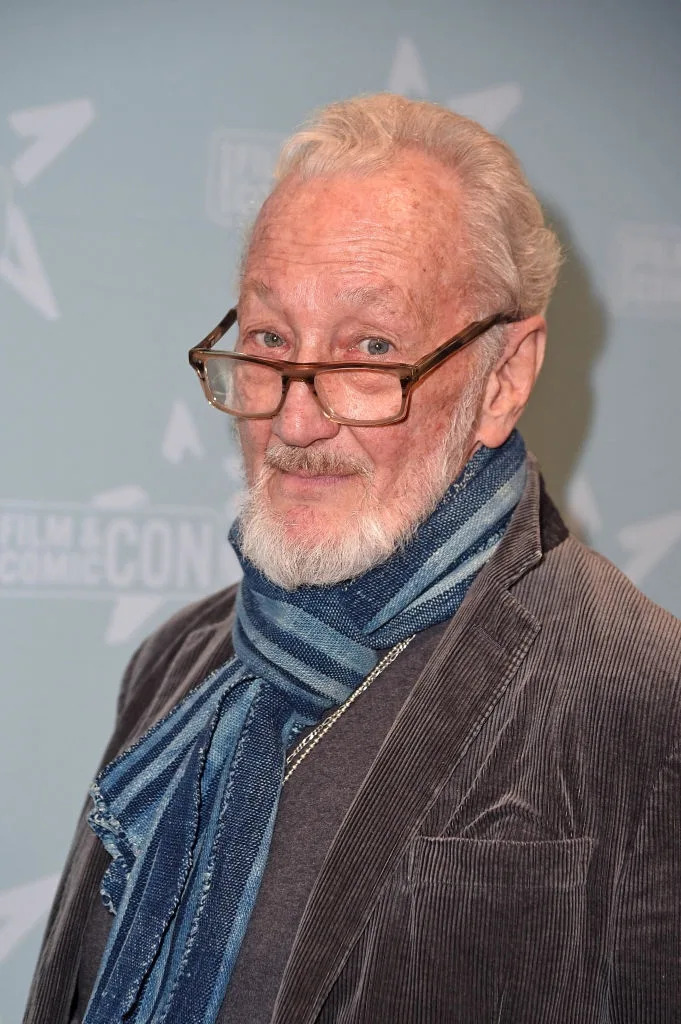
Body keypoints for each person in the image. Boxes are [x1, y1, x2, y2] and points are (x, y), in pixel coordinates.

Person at [25, 94, 681, 1024]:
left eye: (370, 351)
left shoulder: (650, 706)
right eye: (268, 342)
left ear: (503, 378)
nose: (295, 421)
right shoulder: (179, 665)